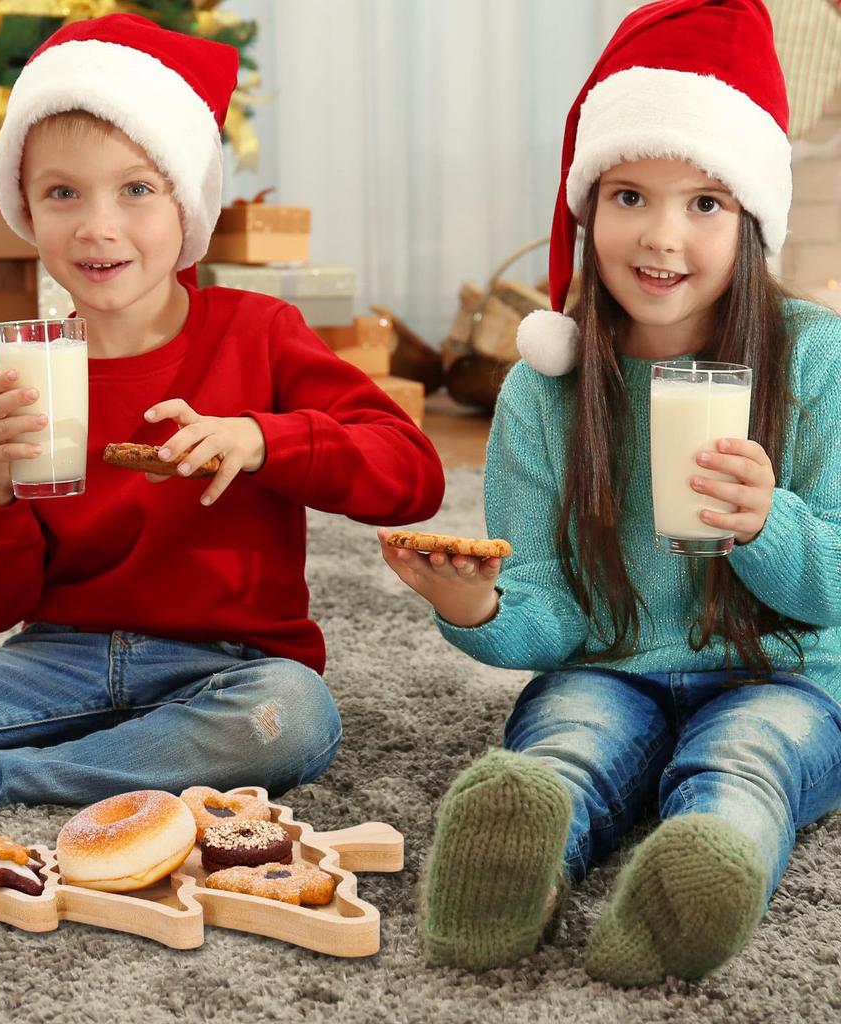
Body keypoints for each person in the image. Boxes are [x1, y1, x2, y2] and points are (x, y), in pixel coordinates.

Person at [0, 14, 444, 818]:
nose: (96, 225)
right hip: (58, 665)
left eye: (137, 189)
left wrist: (262, 439)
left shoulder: (260, 333)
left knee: (291, 720)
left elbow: (413, 475)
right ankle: (93, 757)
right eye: (62, 193)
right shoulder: (15, 370)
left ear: (186, 204)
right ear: (27, 210)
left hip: (230, 668)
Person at [379, 0, 841, 987]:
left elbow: (835, 582)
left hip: (784, 670)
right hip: (613, 662)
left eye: (704, 204)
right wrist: (481, 606)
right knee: (567, 741)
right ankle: (518, 876)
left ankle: (704, 869)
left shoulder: (814, 363)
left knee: (751, 758)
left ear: (751, 217)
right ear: (589, 209)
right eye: (629, 196)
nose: (661, 236)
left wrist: (768, 525)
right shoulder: (545, 389)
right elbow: (550, 604)